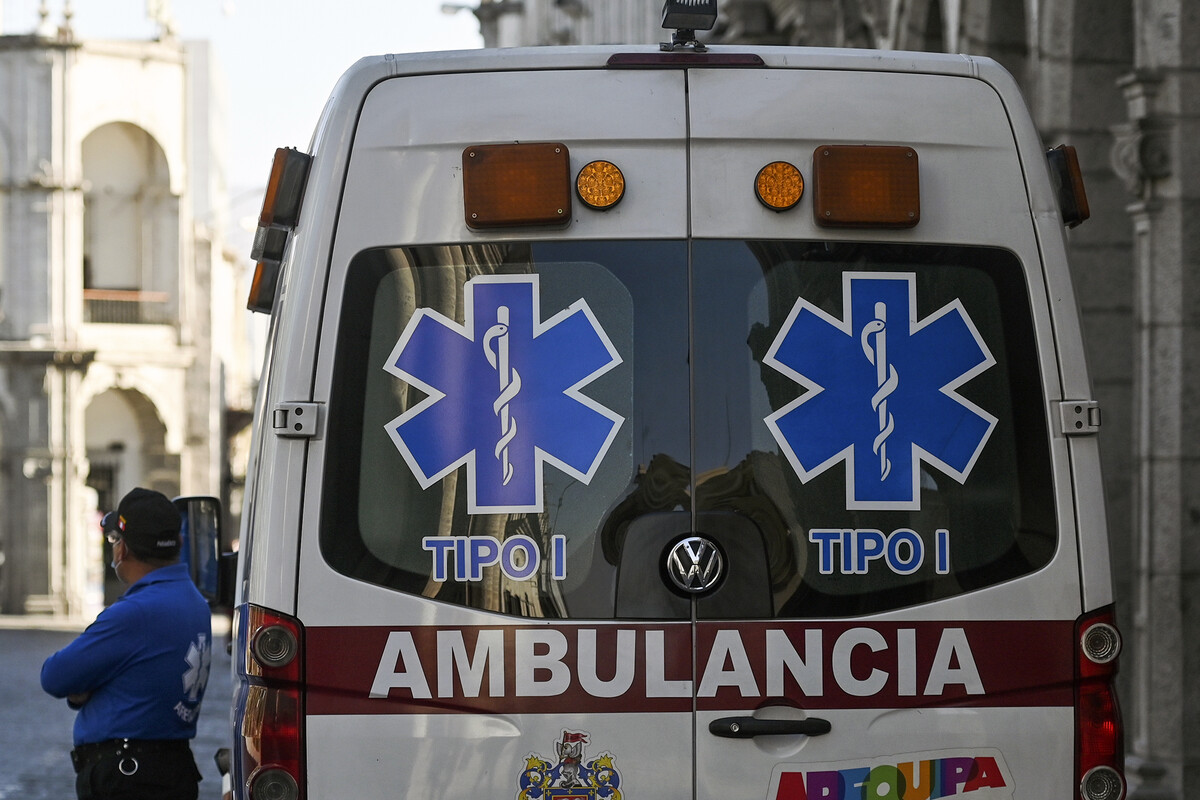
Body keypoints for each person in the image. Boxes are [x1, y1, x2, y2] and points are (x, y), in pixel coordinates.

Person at [41, 487, 212, 800]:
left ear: (122, 550)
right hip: (172, 768)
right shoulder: (195, 602)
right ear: (181, 543)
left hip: (127, 779)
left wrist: (86, 689)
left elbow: (53, 676)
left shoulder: (135, 612)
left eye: (114, 540)